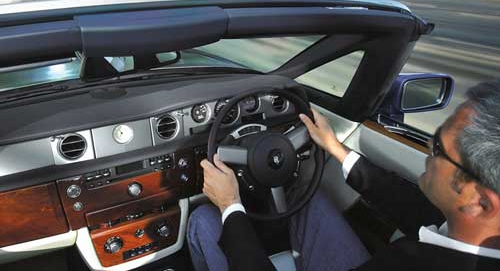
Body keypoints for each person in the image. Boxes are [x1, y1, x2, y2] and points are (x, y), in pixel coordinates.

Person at [187, 81, 500, 270]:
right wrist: (338, 150)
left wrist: (230, 204)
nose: (428, 146)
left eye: (439, 148)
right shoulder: (475, 232)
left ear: (480, 203)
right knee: (309, 201)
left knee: (205, 219)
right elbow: (417, 208)